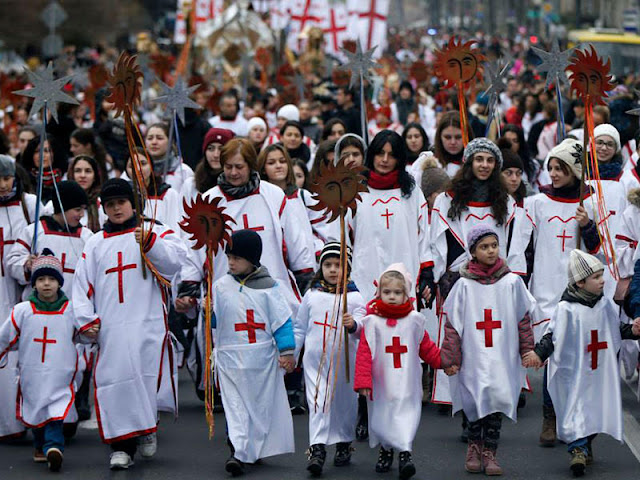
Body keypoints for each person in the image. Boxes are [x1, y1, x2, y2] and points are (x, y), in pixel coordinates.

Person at [72, 178, 186, 470]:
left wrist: (151, 244)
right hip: (110, 326)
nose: (116, 209)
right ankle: (120, 446)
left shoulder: (153, 231)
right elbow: (81, 285)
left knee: (145, 378)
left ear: (133, 203)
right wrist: (87, 320)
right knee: (114, 382)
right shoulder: (96, 243)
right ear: (104, 209)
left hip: (147, 321)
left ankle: (147, 429)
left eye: (121, 202)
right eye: (110, 205)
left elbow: (174, 264)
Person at [523, 250, 640, 477]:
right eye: (596, 277)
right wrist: (539, 354)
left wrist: (633, 331)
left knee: (594, 410)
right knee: (576, 409)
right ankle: (577, 449)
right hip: (574, 373)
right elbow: (552, 336)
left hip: (597, 372)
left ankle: (586, 443)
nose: (602, 281)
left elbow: (614, 331)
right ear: (580, 282)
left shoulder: (604, 306)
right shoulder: (566, 309)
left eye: (601, 275)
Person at [523, 139, 602, 446]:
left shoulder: (590, 203)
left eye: (560, 168)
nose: (553, 173)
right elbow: (527, 248)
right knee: (552, 354)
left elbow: (598, 251)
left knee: (578, 358)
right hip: (546, 288)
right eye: (551, 167)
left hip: (579, 291)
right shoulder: (538, 203)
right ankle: (549, 415)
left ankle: (578, 417)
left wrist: (589, 224)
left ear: (574, 170)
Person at [441, 225, 535, 476]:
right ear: (473, 252)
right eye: (484, 247)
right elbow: (453, 324)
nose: (491, 251)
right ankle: (474, 445)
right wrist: (450, 357)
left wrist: (527, 348)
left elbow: (522, 317)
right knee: (474, 399)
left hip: (502, 355)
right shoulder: (463, 285)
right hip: (474, 355)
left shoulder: (512, 282)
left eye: (494, 245)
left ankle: (490, 450)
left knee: (497, 400)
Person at [212, 230, 296, 476]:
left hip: (260, 359)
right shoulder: (220, 286)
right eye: (229, 257)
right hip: (229, 357)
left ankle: (251, 448)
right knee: (234, 407)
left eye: (237, 257)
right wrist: (208, 313)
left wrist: (287, 352)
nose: (231, 262)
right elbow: (217, 322)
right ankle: (238, 452)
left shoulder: (270, 288)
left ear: (252, 259)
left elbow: (282, 322)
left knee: (257, 408)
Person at [202, 138, 315, 313]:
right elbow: (195, 248)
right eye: (228, 166)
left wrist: (304, 272)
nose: (233, 172)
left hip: (272, 285)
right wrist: (190, 283)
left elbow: (294, 239)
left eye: (239, 167)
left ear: (251, 166)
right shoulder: (209, 200)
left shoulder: (273, 195)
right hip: (226, 287)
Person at [354, 264, 441, 479]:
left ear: (406, 295)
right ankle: (386, 450)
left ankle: (405, 453)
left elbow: (426, 347)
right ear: (379, 293)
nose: (392, 296)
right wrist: (363, 381)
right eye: (387, 292)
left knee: (405, 415)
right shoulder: (372, 321)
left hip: (407, 381)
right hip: (382, 382)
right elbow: (364, 353)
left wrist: (443, 362)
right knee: (383, 416)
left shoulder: (414, 320)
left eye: (397, 292)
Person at [0, 250, 79, 472]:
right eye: (41, 279)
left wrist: (92, 332)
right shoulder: (22, 311)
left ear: (59, 283)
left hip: (59, 373)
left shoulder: (70, 310)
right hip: (32, 372)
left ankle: (54, 447)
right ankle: (40, 445)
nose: (46, 284)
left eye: (52, 279)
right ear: (34, 284)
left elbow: (81, 333)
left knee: (55, 410)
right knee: (36, 410)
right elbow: (6, 337)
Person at [294, 243, 366, 476]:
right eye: (328, 265)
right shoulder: (312, 295)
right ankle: (317, 449)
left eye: (338, 265)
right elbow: (300, 327)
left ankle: (344, 443)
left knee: (344, 403)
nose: (333, 270)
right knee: (318, 401)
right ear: (320, 267)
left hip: (345, 362)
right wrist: (292, 355)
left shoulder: (354, 297)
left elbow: (363, 325)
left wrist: (354, 325)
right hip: (316, 363)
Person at [350, 130, 433, 305]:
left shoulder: (411, 193)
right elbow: (344, 234)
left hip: (404, 269)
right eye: (380, 153)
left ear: (399, 158)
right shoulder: (356, 191)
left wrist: (426, 271)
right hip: (365, 270)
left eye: (391, 155)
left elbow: (424, 234)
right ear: (372, 155)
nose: (385, 160)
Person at [0, 154, 38, 441]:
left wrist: (28, 264)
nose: (3, 184)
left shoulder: (31, 205)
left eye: (6, 177)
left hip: (20, 292)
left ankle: (21, 420)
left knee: (20, 354)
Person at [125, 147, 182, 233]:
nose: (138, 169)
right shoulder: (124, 199)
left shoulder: (168, 194)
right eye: (132, 166)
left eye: (143, 164)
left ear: (151, 166)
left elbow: (175, 229)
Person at [410, 111, 473, 185]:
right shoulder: (424, 162)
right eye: (447, 137)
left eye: (458, 137)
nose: (453, 142)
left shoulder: (477, 164)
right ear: (439, 137)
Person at [181, 128, 235, 203]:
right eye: (211, 149)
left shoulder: (236, 185)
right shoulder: (191, 185)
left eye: (221, 149)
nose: (216, 155)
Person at [142, 123, 194, 194]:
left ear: (170, 142)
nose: (154, 142)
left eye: (160, 138)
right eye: (150, 138)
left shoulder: (183, 171)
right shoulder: (136, 169)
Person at [67, 155, 106, 232]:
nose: (83, 175)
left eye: (88, 171)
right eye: (78, 171)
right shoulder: (58, 204)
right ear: (71, 174)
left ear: (95, 177)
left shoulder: (103, 206)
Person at [21, 135, 64, 205]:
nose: (41, 155)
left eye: (46, 151)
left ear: (54, 153)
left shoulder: (64, 178)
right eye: (37, 151)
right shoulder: (24, 180)